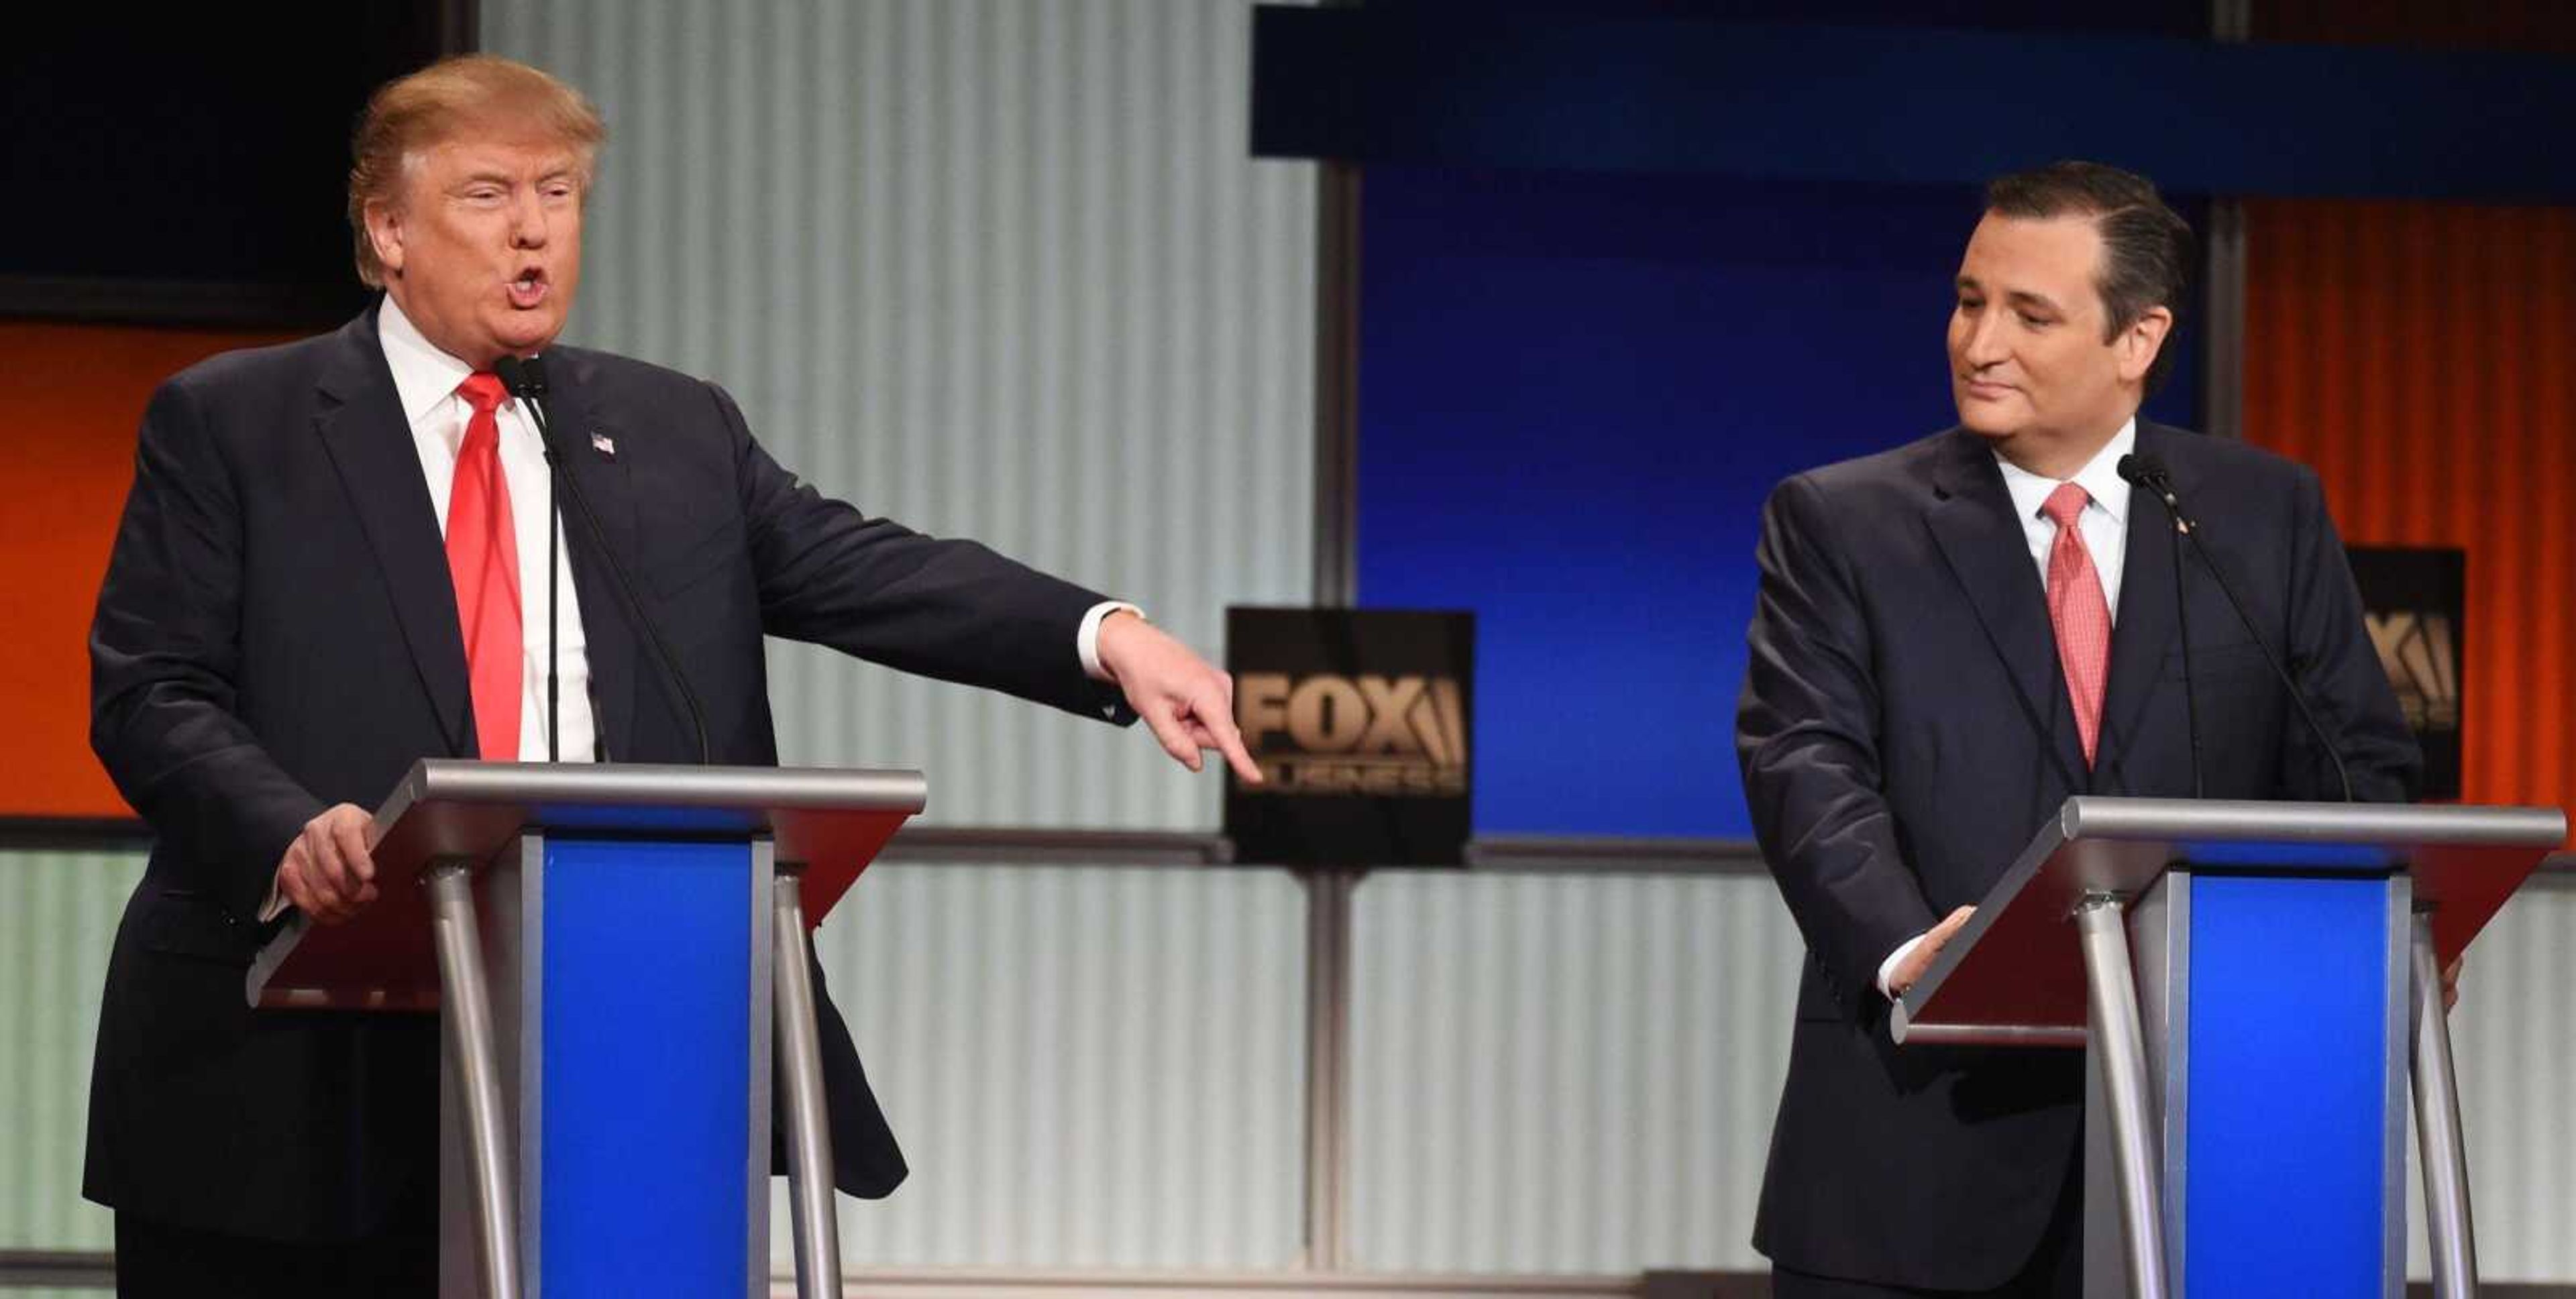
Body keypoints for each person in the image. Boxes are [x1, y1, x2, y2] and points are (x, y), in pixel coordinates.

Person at [85, 54, 1256, 1298]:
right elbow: (151, 689)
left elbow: (866, 569)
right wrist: (284, 830)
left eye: (559, 190)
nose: (534, 228)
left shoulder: (669, 429)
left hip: (613, 1063)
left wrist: (1107, 633)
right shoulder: (238, 421)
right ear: (387, 230)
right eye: (487, 194)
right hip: (290, 1081)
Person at [1733, 160, 2422, 1296]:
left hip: (2207, 1160)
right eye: (1968, 299)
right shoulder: (1841, 521)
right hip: (1916, 1163)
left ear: (2138, 338)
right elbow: (1802, 757)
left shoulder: (2261, 515)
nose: (1979, 341)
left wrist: (2390, 931)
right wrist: (1914, 955)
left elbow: (2361, 769)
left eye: (2029, 313)